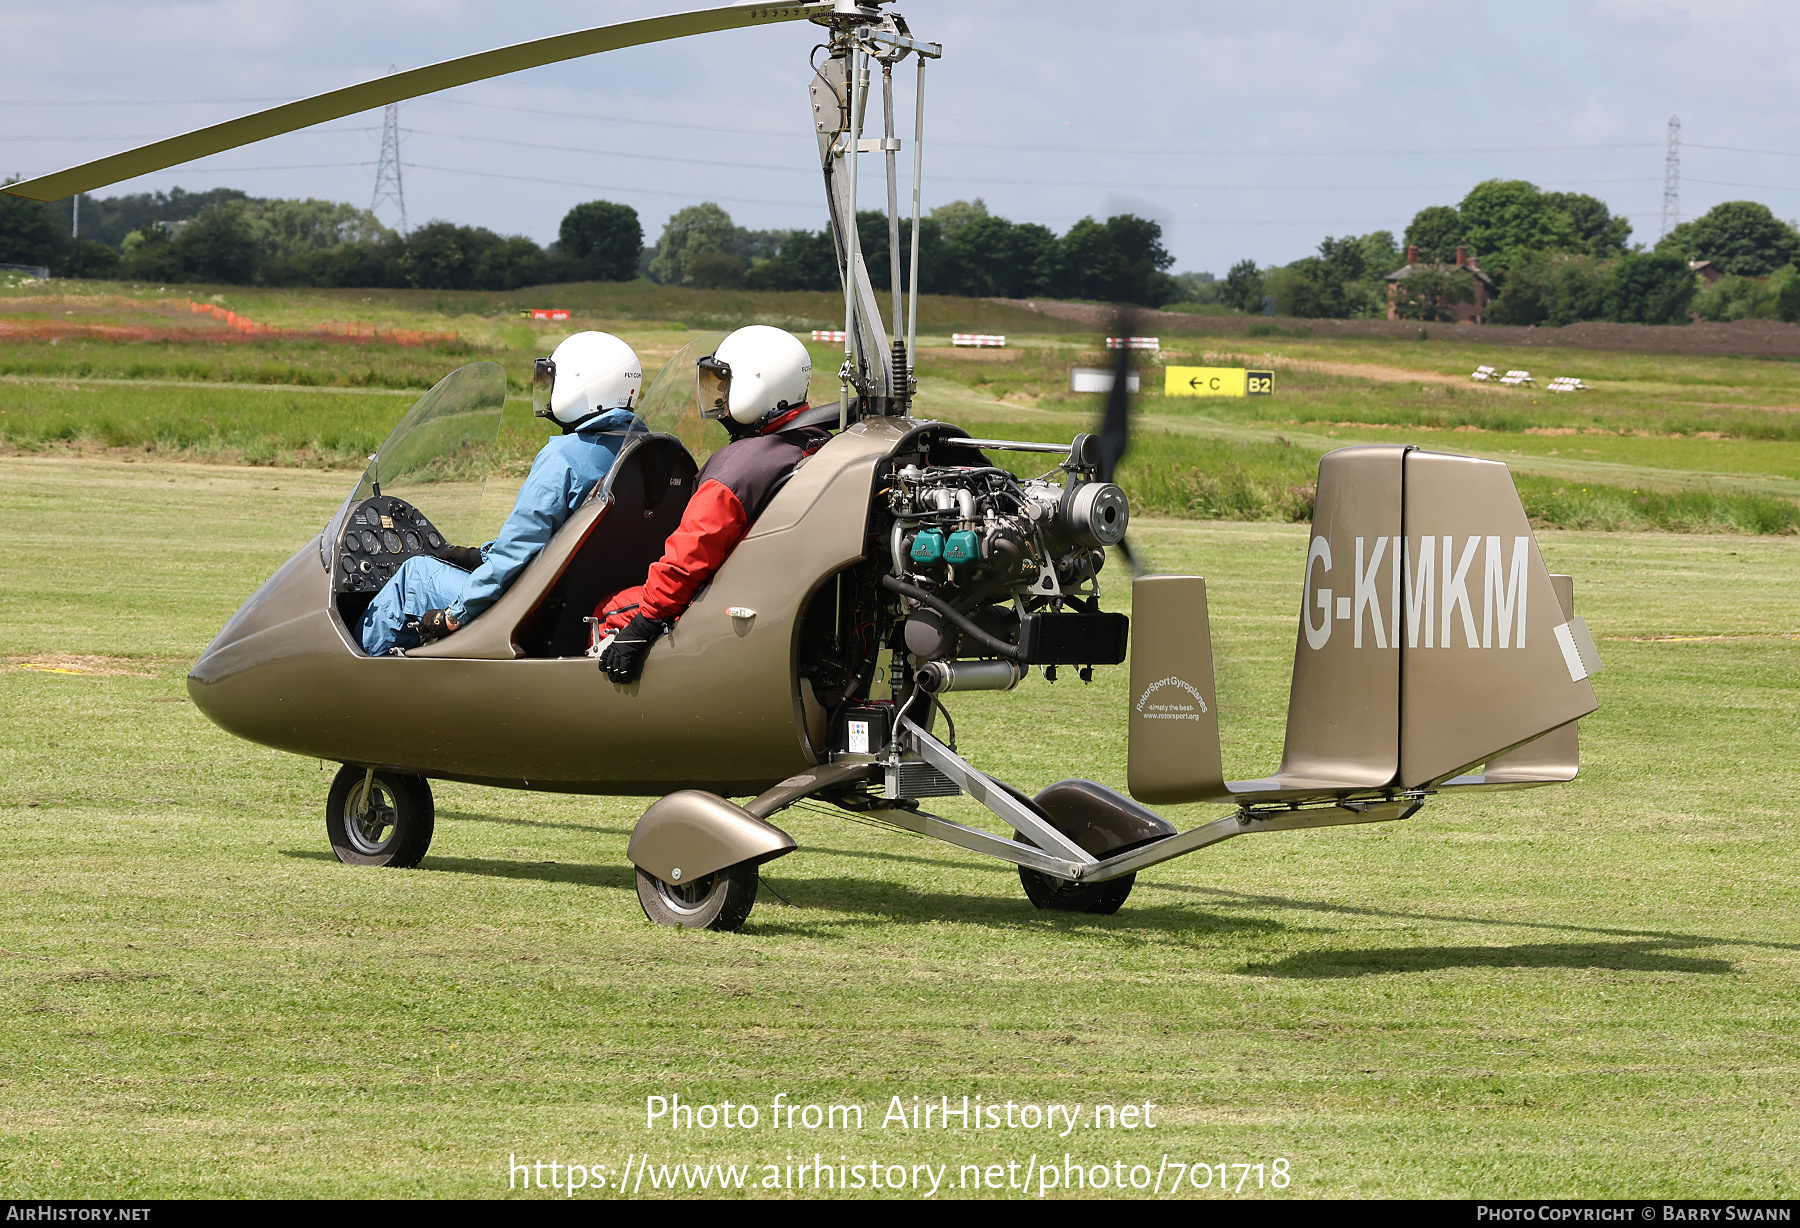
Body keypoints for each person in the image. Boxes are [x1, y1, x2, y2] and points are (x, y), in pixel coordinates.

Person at [359, 331, 644, 656]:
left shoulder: (564, 458)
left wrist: (454, 615)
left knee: (415, 574)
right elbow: (555, 544)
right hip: (593, 607)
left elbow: (516, 556)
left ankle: (357, 680)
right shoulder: (646, 453)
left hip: (532, 609)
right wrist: (476, 556)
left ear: (580, 384)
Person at [596, 324, 826, 683]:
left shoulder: (738, 468)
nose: (718, 394)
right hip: (780, 597)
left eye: (724, 384)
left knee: (608, 609)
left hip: (724, 601)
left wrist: (644, 624)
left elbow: (688, 558)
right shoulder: (815, 441)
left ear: (757, 384)